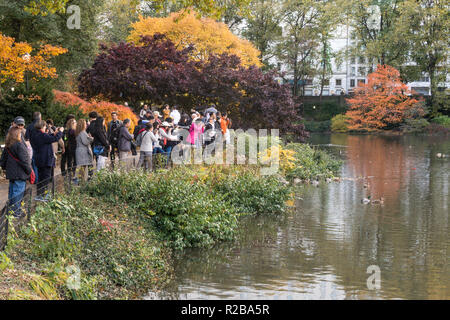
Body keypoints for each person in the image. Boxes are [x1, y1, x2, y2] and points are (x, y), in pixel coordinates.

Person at [0, 127, 32, 217]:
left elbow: (3, 159)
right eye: (20, 133)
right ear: (17, 135)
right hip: (19, 173)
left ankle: (10, 210)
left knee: (12, 191)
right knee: (18, 192)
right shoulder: (19, 145)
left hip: (11, 172)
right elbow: (25, 161)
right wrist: (29, 171)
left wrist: (4, 167)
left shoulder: (8, 145)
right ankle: (15, 211)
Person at [30, 120, 63, 201]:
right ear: (42, 127)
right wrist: (60, 132)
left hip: (39, 159)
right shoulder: (42, 135)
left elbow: (48, 137)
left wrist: (54, 133)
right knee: (45, 178)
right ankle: (43, 195)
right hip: (45, 160)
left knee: (41, 178)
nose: (46, 128)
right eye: (45, 126)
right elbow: (54, 138)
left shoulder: (35, 134)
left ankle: (39, 194)